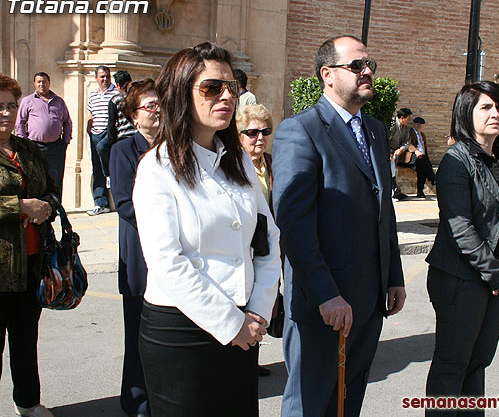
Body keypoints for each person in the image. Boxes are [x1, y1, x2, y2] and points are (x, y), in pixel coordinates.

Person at [131, 42, 280, 416]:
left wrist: (259, 311)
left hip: (245, 327)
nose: (227, 96)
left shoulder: (240, 164)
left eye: (232, 87)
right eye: (212, 88)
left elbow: (267, 240)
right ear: (182, 93)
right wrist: (231, 324)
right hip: (181, 334)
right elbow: (167, 262)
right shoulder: (156, 168)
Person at [273, 35, 406, 416]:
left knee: (347, 402)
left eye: (370, 66)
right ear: (327, 75)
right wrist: (326, 295)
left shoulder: (377, 131)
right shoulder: (300, 130)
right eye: (357, 66)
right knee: (310, 404)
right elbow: (294, 225)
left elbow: (384, 210)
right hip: (323, 304)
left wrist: (393, 276)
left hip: (368, 299)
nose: (367, 72)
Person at [425, 81, 499, 413]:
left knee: (478, 362)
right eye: (485, 107)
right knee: (451, 366)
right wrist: (495, 274)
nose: (495, 113)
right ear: (465, 113)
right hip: (461, 278)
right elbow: (460, 228)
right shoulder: (457, 160)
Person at [0, 74, 58, 417]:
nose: (5, 113)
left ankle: (28, 403)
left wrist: (46, 205)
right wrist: (20, 206)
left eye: (10, 105)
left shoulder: (28, 149)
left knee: (25, 341)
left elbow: (51, 189)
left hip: (30, 264)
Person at [109, 79, 159, 417]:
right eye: (149, 106)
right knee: (138, 336)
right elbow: (125, 203)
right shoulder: (122, 151)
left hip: (176, 259)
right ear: (134, 115)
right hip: (140, 256)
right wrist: (167, 225)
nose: (157, 111)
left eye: (160, 104)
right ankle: (137, 401)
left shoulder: (176, 146)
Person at [236, 103, 277, 377]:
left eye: (265, 131)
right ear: (239, 136)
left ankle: (253, 358)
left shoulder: (272, 163)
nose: (259, 137)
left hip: (267, 245)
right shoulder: (233, 165)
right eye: (251, 132)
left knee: (261, 303)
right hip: (241, 246)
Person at [15, 72, 72, 195]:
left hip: (56, 147)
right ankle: (38, 208)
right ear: (35, 84)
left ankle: (55, 207)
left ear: (49, 83)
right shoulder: (28, 101)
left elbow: (67, 122)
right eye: (39, 82)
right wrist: (24, 143)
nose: (42, 84)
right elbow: (20, 123)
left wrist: (65, 141)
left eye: (44, 81)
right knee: (35, 178)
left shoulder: (59, 101)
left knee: (56, 178)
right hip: (34, 146)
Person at [86, 65, 118, 216]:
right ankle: (101, 203)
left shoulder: (115, 93)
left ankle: (117, 198)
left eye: (107, 76)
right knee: (96, 169)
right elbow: (90, 115)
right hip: (95, 134)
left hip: (109, 134)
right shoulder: (92, 95)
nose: (105, 79)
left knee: (111, 165)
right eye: (102, 77)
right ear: (96, 78)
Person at [407, 116, 436, 198]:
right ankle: (433, 178)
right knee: (423, 159)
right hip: (412, 156)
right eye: (418, 124)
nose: (419, 126)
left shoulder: (422, 135)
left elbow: (424, 148)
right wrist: (416, 151)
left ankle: (420, 192)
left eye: (421, 125)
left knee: (421, 170)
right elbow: (408, 144)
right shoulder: (409, 132)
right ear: (414, 124)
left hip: (421, 159)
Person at [106, 70, 137, 145]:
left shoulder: (115, 100)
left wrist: (112, 142)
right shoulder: (138, 96)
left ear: (118, 85)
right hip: (138, 135)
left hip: (123, 137)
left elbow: (111, 124)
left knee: (101, 146)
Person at [389, 107, 412, 200]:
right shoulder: (392, 124)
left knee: (393, 172)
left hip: (396, 152)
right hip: (388, 152)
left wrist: (401, 149)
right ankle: (394, 191)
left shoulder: (406, 128)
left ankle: (395, 191)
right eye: (408, 118)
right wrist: (388, 152)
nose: (409, 121)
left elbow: (407, 141)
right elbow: (385, 139)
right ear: (402, 117)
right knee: (389, 172)